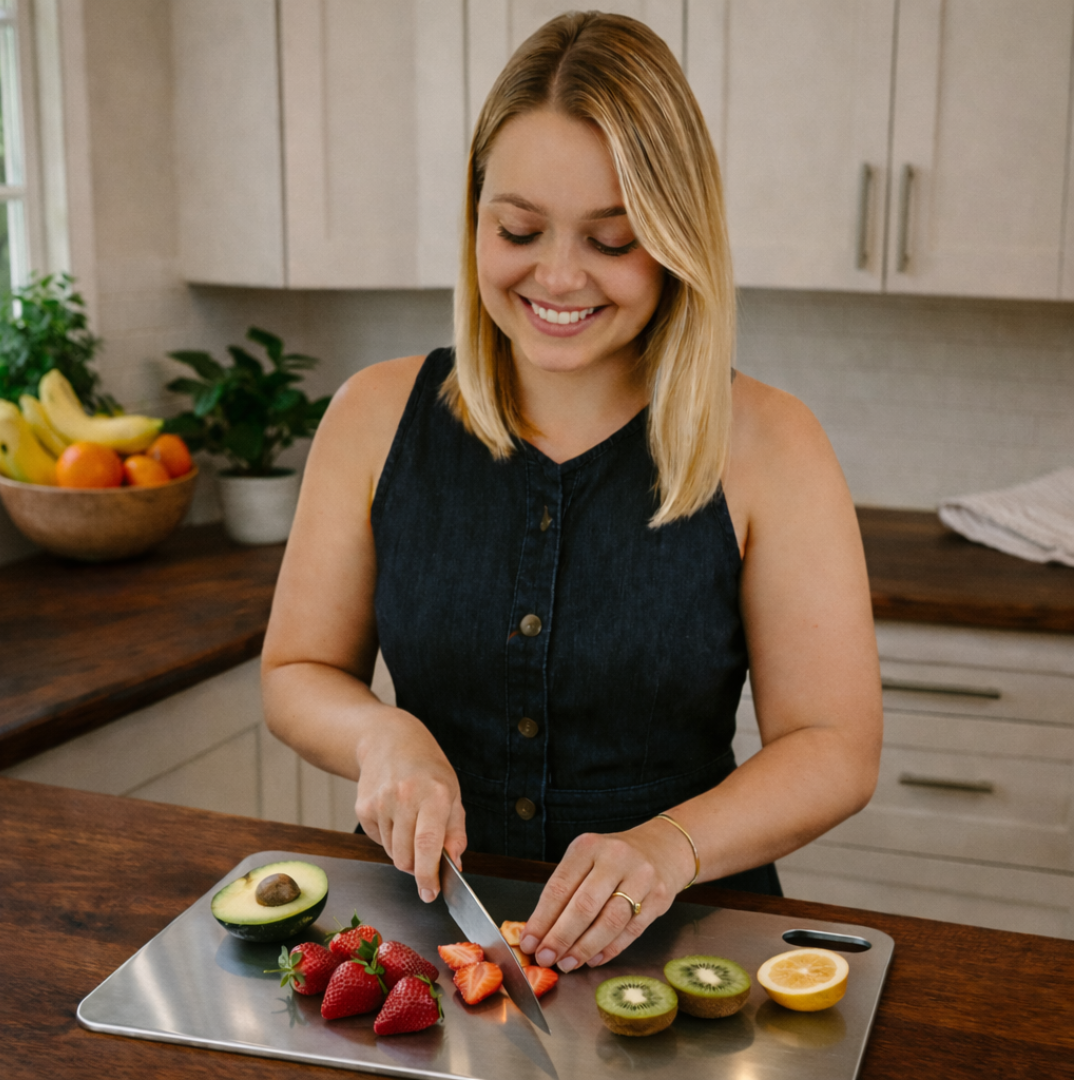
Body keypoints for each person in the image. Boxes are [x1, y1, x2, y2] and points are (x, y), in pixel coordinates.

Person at [261, 11, 882, 976]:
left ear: (677, 239)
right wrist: (383, 736)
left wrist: (667, 848)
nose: (556, 275)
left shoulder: (772, 443)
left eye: (612, 239)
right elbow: (297, 669)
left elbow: (835, 745)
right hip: (430, 939)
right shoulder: (373, 416)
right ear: (476, 216)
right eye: (517, 228)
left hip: (690, 950)